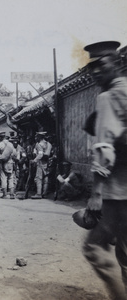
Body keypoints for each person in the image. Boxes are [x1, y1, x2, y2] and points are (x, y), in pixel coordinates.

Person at [79, 41, 127, 300]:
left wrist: (96, 193)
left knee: (95, 251)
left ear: (117, 63)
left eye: (101, 65)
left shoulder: (108, 97)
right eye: (92, 67)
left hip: (117, 193)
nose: (95, 72)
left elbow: (104, 147)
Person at [31, 132, 52, 199]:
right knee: (46, 178)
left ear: (40, 137)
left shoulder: (39, 144)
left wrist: (34, 160)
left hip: (40, 163)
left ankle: (39, 193)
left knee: (39, 178)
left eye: (36, 137)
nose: (35, 138)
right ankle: (45, 193)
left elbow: (40, 155)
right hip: (47, 163)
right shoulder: (49, 144)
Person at [0, 132, 17, 199]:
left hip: (3, 163)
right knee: (11, 178)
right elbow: (15, 154)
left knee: (3, 178)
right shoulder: (11, 144)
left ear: (0, 137)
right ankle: (12, 194)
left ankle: (5, 195)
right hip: (11, 163)